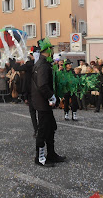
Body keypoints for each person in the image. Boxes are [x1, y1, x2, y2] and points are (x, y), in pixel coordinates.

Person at [31, 38, 65, 167]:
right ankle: (39, 158)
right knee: (43, 130)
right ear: (47, 50)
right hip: (42, 103)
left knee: (51, 128)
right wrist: (51, 96)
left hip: (42, 102)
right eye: (51, 49)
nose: (52, 51)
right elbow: (42, 85)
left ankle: (51, 154)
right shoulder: (43, 65)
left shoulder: (42, 63)